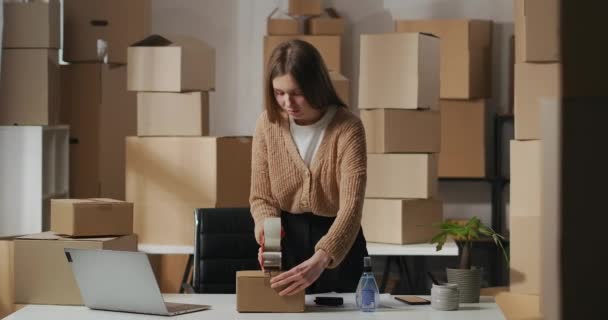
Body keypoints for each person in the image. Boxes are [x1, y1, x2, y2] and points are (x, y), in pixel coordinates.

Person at [250, 39, 368, 296]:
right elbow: (262, 197)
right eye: (279, 93)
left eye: (297, 93)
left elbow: (351, 208)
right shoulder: (267, 125)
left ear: (316, 86)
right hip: (286, 243)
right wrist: (267, 236)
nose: (287, 103)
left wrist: (322, 258)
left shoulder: (348, 128)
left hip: (340, 245)